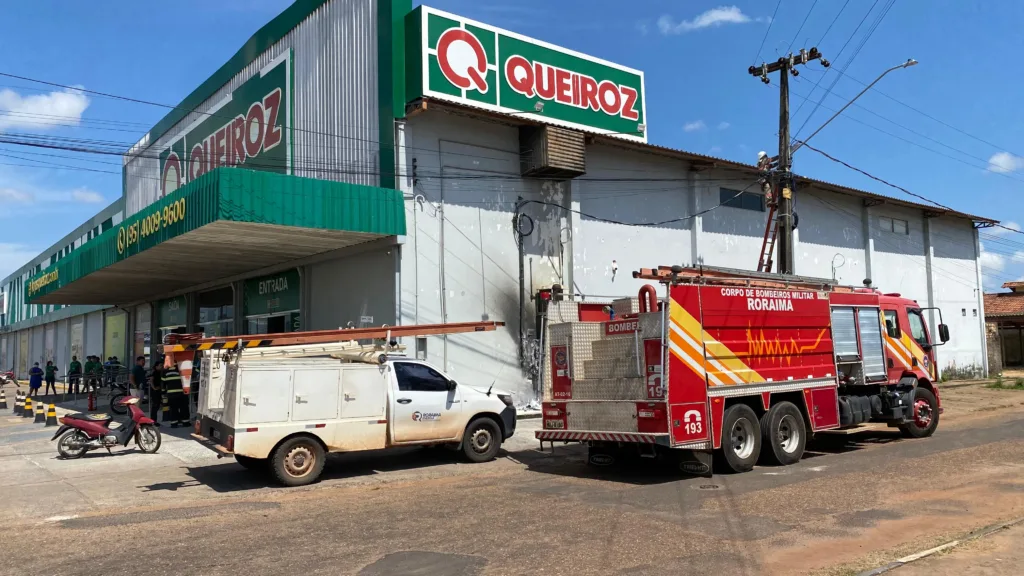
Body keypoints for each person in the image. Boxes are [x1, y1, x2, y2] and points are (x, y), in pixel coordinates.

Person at [163, 359, 189, 428]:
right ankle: (185, 422)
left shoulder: (165, 370)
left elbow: (163, 382)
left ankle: (174, 423)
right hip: (182, 393)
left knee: (173, 409)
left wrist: (163, 392)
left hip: (171, 394)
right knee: (184, 408)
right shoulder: (181, 369)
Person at [149, 359, 163, 426]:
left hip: (158, 390)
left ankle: (154, 421)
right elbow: (151, 381)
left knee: (157, 406)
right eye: (160, 365)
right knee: (155, 406)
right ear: (156, 366)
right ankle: (153, 421)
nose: (161, 367)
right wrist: (154, 388)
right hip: (155, 392)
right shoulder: (154, 372)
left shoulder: (159, 372)